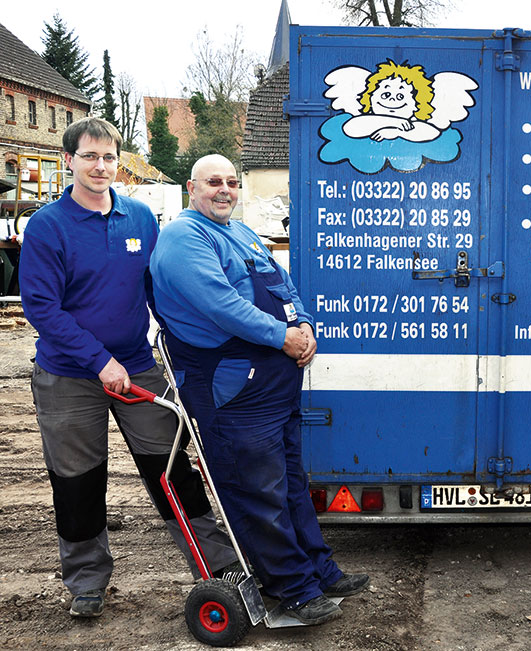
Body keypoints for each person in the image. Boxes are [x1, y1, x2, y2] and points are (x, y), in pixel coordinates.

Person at [19, 117, 238, 618]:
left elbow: (156, 290)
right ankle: (87, 583)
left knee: (171, 466)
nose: (101, 166)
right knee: (78, 479)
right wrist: (99, 361)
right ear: (69, 160)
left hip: (136, 366)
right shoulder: (48, 227)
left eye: (109, 157)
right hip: (68, 375)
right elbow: (41, 308)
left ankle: (217, 563)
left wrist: (183, 343)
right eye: (90, 156)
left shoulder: (140, 219)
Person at [149, 154, 369, 626]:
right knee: (257, 493)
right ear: (192, 187)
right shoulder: (184, 238)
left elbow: (285, 286)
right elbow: (221, 305)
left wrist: (305, 324)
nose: (225, 189)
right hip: (232, 392)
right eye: (213, 182)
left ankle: (317, 570)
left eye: (231, 181)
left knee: (291, 484)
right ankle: (290, 590)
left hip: (273, 384)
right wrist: (283, 337)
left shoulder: (243, 232)